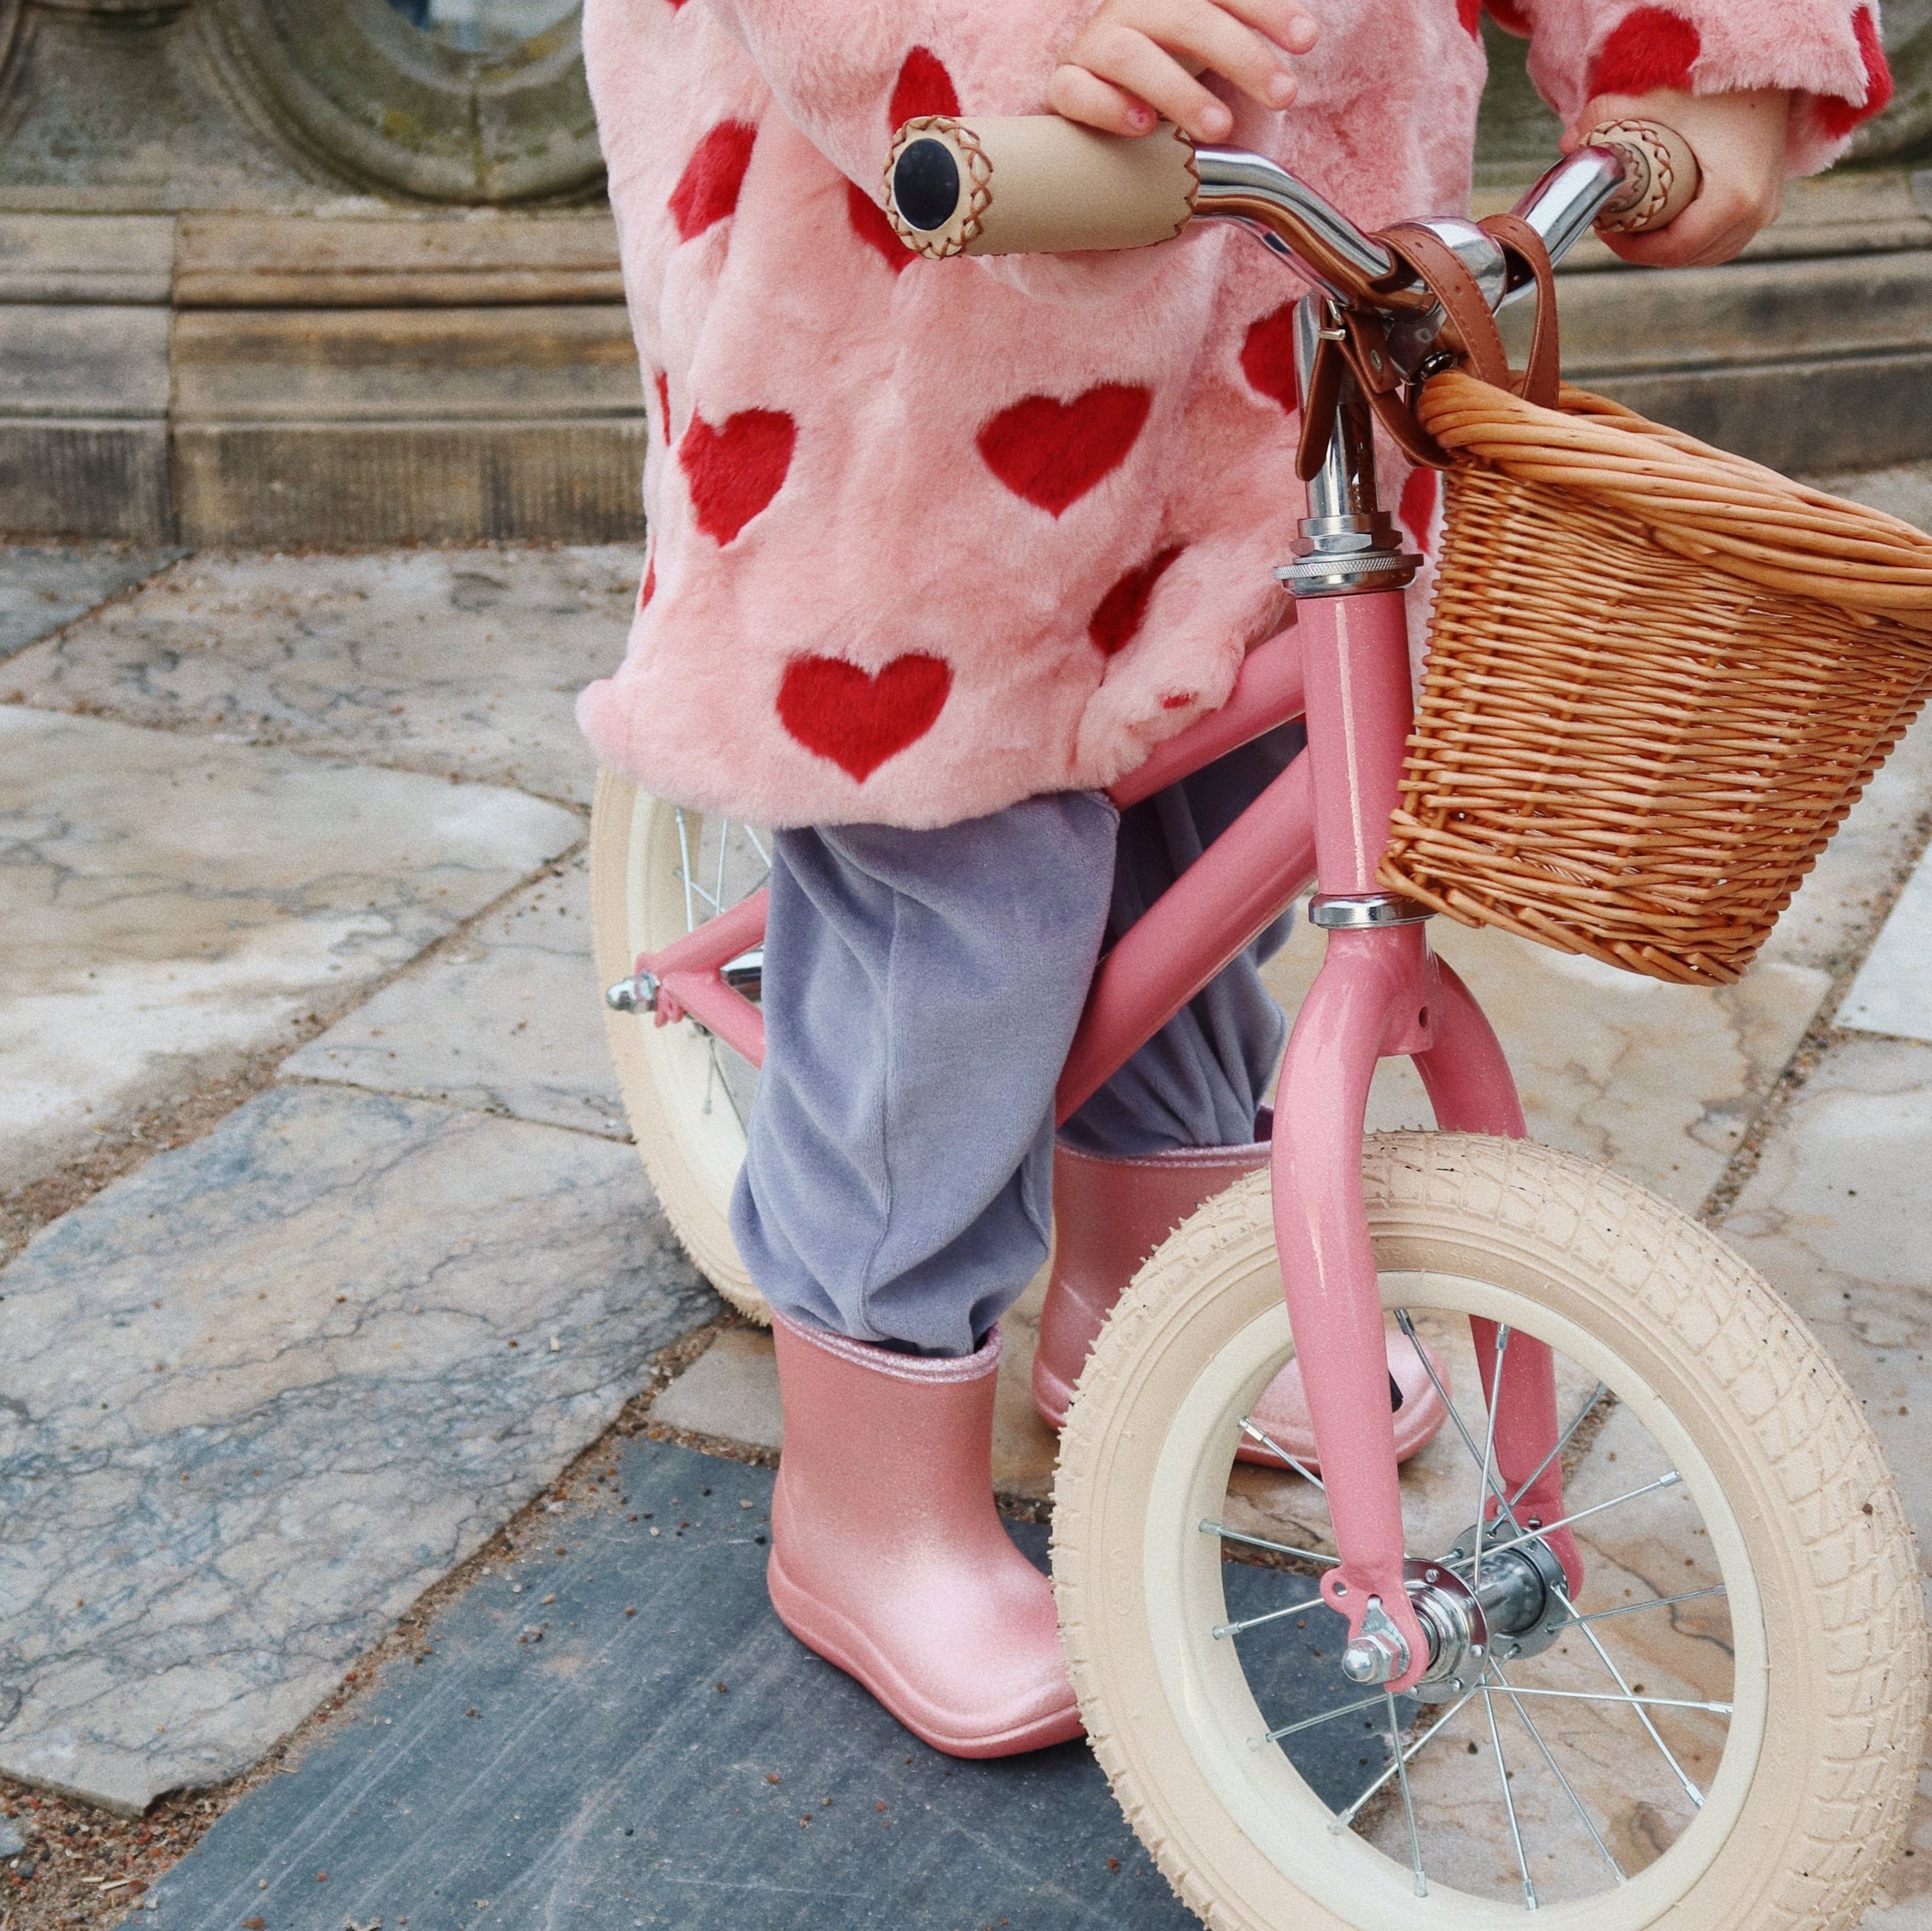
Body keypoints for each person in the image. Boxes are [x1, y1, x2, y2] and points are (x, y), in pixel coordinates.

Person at [578, 0, 1894, 1759]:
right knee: (959, 894)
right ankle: (865, 1492)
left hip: (1286, 293)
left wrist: (1695, 56)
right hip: (920, 323)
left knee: (1235, 774)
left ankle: (1150, 1283)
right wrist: (1007, 55)